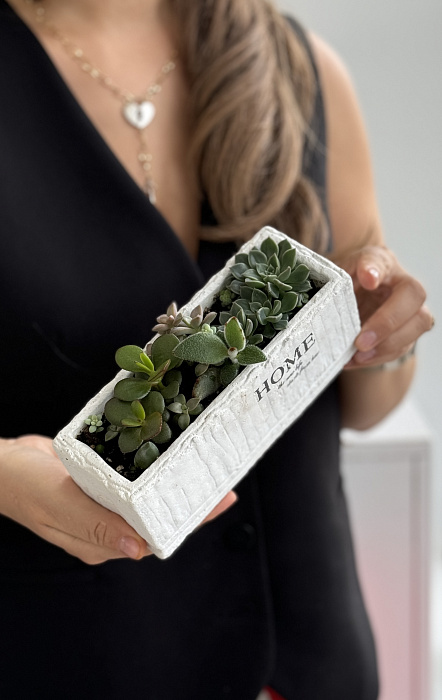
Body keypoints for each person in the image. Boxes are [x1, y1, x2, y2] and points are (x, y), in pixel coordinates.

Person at [0, 1, 434, 698]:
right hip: (77, 658)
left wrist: (381, 342)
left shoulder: (305, 73)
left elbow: (364, 406)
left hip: (315, 661)